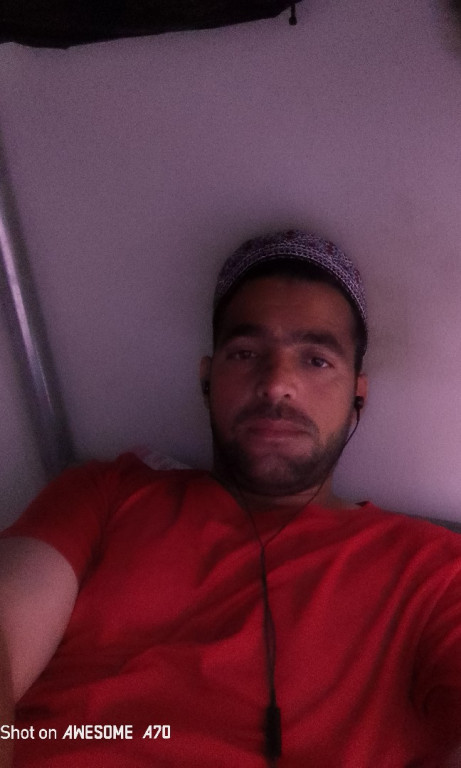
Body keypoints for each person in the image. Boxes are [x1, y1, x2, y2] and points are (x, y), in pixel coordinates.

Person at [1, 229, 461, 768]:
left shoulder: (434, 571)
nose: (277, 384)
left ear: (358, 394)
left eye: (316, 360)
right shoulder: (106, 493)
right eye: (245, 353)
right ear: (207, 378)